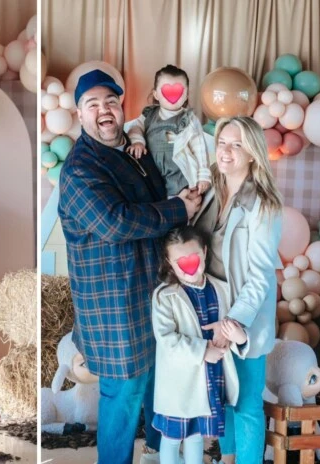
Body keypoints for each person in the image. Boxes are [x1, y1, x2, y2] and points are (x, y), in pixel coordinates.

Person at [57, 68, 202, 464]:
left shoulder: (137, 151)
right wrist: (179, 208)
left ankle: (158, 454)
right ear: (80, 114)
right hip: (114, 302)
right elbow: (114, 222)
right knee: (124, 392)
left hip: (153, 290)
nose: (103, 110)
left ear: (122, 107)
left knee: (160, 381)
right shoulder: (81, 168)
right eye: (92, 104)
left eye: (110, 101)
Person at [194, 116, 283, 464]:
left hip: (244, 313)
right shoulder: (211, 191)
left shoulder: (264, 203)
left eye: (237, 145)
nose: (226, 151)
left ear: (252, 153)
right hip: (210, 307)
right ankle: (227, 459)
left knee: (246, 403)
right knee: (222, 399)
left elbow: (261, 275)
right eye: (222, 143)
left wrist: (234, 322)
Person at [152, 225, 248, 464]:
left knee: (196, 435)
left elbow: (232, 326)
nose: (189, 266)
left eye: (193, 257)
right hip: (179, 383)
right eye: (180, 261)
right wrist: (203, 350)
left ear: (204, 252)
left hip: (209, 378)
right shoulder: (165, 296)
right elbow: (166, 339)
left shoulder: (222, 289)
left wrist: (233, 337)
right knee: (172, 437)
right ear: (169, 263)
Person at [127, 65, 210, 197]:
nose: (173, 95)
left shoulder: (189, 119)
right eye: (166, 89)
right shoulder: (148, 115)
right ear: (156, 94)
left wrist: (203, 175)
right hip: (152, 170)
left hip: (178, 173)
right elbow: (135, 128)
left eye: (179, 90)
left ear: (186, 95)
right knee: (150, 194)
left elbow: (199, 148)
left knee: (179, 197)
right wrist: (138, 142)